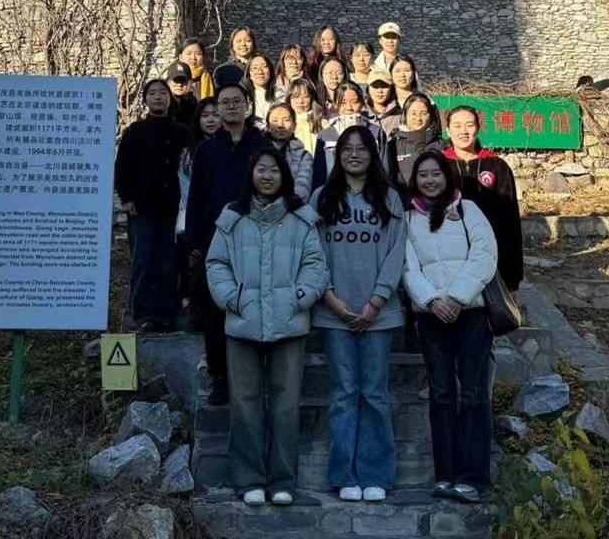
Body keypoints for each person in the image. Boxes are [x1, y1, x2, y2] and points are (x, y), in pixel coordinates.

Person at [207, 148, 330, 506]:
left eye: (274, 170)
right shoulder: (233, 217)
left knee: (285, 403)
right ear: (251, 174)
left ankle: (283, 481)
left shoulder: (301, 218)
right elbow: (216, 263)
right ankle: (249, 479)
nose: (267, 176)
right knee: (244, 402)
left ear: (284, 176)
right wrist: (233, 297)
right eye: (261, 169)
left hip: (289, 322)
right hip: (242, 322)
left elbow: (316, 265)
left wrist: (298, 297)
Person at [311, 126, 406, 503]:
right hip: (334, 313)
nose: (353, 154)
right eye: (346, 149)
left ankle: (376, 473)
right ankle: (344, 474)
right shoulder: (322, 197)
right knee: (343, 394)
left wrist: (376, 301)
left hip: (378, 315)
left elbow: (397, 253)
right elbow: (313, 253)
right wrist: (330, 298)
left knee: (375, 394)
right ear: (338, 155)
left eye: (361, 148)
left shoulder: (389, 197)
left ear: (372, 154)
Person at [402, 151, 498, 504]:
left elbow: (484, 255)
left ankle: (473, 477)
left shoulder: (468, 210)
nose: (430, 180)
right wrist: (432, 301)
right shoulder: (408, 219)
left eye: (436, 174)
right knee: (441, 395)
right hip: (431, 318)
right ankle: (445, 474)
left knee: (474, 394)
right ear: (415, 181)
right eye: (423, 175)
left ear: (446, 176)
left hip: (470, 314)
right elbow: (407, 267)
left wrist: (457, 297)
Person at [186, 83, 270, 405]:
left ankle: (255, 375)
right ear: (218, 108)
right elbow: (196, 197)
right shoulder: (207, 150)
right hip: (215, 239)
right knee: (215, 310)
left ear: (247, 105)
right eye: (225, 102)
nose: (231, 107)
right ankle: (219, 377)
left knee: (254, 305)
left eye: (237, 101)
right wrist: (195, 239)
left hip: (256, 237)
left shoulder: (261, 146)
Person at [114, 79, 192, 332]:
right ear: (145, 99)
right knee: (143, 260)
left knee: (169, 262)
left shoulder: (183, 132)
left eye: (162, 93)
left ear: (169, 98)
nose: (158, 97)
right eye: (152, 93)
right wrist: (126, 198)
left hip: (173, 209)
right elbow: (122, 168)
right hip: (143, 209)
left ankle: (166, 313)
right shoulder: (135, 132)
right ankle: (142, 313)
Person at [443, 106, 523, 291]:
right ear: (448, 130)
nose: (463, 131)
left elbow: (510, 220)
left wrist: (513, 271)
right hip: (449, 251)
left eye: (469, 125)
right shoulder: (439, 166)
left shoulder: (497, 166)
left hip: (490, 249)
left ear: (478, 128)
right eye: (457, 126)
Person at [178, 97, 222, 330]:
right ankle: (196, 317)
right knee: (197, 268)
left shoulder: (229, 147)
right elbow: (187, 191)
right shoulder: (188, 154)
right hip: (198, 219)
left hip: (224, 219)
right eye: (205, 115)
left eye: (215, 114)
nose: (211, 120)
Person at [311, 82, 391, 191]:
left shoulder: (376, 132)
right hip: (334, 193)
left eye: (354, 102)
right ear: (335, 104)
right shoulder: (326, 135)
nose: (349, 108)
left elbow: (384, 170)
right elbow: (318, 176)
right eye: (343, 102)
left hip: (370, 191)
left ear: (362, 103)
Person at [388, 92, 443, 197]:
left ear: (430, 115)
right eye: (413, 113)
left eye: (423, 113)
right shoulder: (393, 146)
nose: (418, 118)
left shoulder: (442, 145)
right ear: (405, 115)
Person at [265, 102, 313, 200]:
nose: (280, 125)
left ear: (294, 125)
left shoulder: (304, 156)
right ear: (268, 127)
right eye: (275, 120)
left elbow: (302, 189)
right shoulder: (258, 152)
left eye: (286, 120)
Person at [285, 77, 324, 156]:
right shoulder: (286, 124)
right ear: (289, 99)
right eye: (296, 97)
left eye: (305, 96)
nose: (301, 102)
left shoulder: (322, 123)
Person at [364, 70, 402, 136]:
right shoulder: (361, 115)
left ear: (391, 89)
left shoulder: (401, 116)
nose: (380, 91)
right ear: (368, 89)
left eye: (384, 86)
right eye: (375, 86)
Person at [245, 54, 277, 127]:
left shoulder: (279, 94)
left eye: (264, 66)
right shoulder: (244, 96)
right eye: (255, 68)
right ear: (249, 73)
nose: (260, 71)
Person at [166, 60, 198, 128]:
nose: (179, 84)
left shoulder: (196, 107)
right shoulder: (163, 104)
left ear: (190, 82)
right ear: (168, 82)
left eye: (183, 80)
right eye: (176, 80)